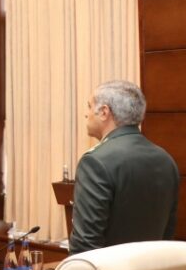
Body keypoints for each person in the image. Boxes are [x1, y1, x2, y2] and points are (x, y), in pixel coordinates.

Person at [70, 80, 179, 255]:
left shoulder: (96, 162)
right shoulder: (166, 159)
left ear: (104, 112)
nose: (86, 114)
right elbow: (167, 233)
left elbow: (86, 244)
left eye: (89, 107)